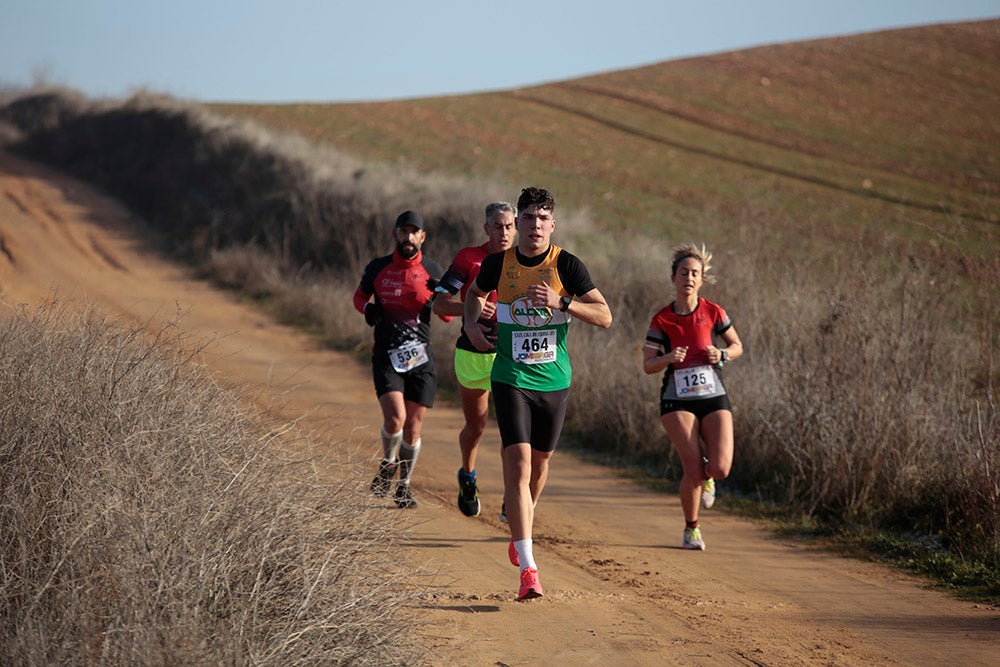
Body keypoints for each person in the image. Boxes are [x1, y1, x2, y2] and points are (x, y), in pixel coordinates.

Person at [464, 186, 612, 600]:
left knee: (541, 468)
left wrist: (562, 302)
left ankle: (519, 530)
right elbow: (474, 295)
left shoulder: (566, 264)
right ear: (520, 222)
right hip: (511, 378)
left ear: (552, 224)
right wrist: (471, 327)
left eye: (542, 218)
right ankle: (529, 570)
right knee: (519, 464)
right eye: (527, 217)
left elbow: (605, 316)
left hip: (554, 382)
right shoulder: (498, 264)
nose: (534, 225)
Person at [642, 243, 743, 550]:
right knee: (693, 469)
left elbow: (737, 345)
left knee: (720, 468)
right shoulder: (662, 319)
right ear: (673, 278)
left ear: (702, 279)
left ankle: (709, 478)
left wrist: (722, 354)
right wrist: (669, 356)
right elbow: (647, 365)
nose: (689, 277)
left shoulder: (713, 312)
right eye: (683, 272)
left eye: (695, 273)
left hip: (713, 394)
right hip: (677, 398)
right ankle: (691, 529)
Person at [353, 210, 449, 509]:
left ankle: (404, 487)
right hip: (386, 354)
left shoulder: (433, 270)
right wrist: (368, 310)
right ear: (395, 234)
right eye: (403, 231)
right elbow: (359, 298)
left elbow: (446, 315)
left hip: (420, 358)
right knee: (395, 418)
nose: (408, 237)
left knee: (413, 428)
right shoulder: (378, 268)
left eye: (414, 232)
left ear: (423, 237)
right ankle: (387, 461)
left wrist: (438, 296)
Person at [432, 201, 517, 517]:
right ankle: (468, 474)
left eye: (509, 226)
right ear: (486, 229)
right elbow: (439, 305)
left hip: (511, 356)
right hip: (473, 353)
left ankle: (513, 494)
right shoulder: (468, 258)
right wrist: (471, 310)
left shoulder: (526, 262)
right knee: (476, 425)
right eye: (498, 226)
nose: (504, 232)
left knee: (513, 430)